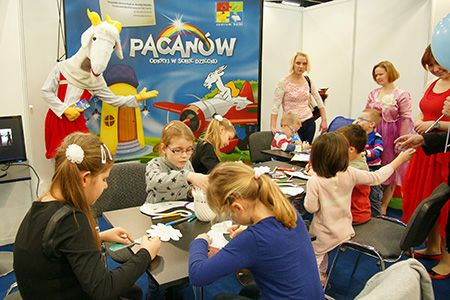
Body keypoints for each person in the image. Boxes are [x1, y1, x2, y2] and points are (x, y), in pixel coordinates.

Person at [13, 132, 161, 299]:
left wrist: (97, 237)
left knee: (132, 290)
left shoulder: (43, 203)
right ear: (85, 179)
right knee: (132, 291)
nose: (105, 186)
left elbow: (56, 248)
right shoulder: (72, 220)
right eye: (104, 179)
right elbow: (104, 290)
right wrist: (146, 253)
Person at [189, 162, 324, 299]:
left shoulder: (253, 238)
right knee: (250, 291)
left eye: (229, 214)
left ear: (237, 208)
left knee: (221, 298)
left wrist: (200, 241)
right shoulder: (288, 212)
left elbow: (198, 275)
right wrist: (249, 229)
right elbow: (273, 250)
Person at [304, 132, 414, 284]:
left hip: (325, 234)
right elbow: (377, 177)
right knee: (321, 251)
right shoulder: (349, 173)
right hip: (345, 231)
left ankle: (316, 281)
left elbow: (310, 208)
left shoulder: (315, 181)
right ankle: (322, 275)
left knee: (313, 251)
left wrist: (311, 178)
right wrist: (399, 160)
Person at [400, 45, 450, 266]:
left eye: (437, 63)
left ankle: (447, 258)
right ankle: (432, 247)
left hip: (443, 152)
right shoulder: (434, 84)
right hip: (427, 148)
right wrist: (420, 125)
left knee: (443, 205)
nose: (434, 69)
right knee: (425, 200)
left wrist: (433, 125)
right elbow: (426, 110)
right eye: (429, 65)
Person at [365, 60, 413, 215]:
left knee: (391, 168)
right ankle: (372, 201)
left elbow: (406, 118)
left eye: (381, 74)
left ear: (390, 73)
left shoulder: (402, 94)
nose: (378, 77)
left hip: (392, 136)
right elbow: (366, 113)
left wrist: (402, 141)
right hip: (373, 134)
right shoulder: (373, 93)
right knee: (373, 165)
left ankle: (384, 206)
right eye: (376, 75)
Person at [270, 52, 328, 144]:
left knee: (305, 151)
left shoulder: (308, 81)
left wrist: (324, 120)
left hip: (308, 122)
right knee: (291, 152)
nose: (301, 66)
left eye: (304, 64)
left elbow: (318, 100)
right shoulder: (283, 82)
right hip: (290, 125)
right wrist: (273, 126)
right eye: (298, 63)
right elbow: (275, 105)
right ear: (293, 64)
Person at [145, 120, 209, 203]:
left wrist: (194, 192)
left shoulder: (187, 164)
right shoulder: (154, 164)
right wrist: (187, 176)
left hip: (181, 211)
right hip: (154, 212)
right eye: (178, 150)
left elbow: (188, 189)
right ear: (164, 148)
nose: (184, 155)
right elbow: (155, 182)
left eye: (189, 149)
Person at [337, 124, 372, 225]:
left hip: (354, 216)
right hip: (348, 212)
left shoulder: (356, 168)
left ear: (351, 149)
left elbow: (334, 182)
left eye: (338, 145)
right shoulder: (352, 159)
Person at [356, 109, 384, 216]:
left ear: (371, 124)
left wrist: (366, 153)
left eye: (361, 119)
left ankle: (377, 217)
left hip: (373, 170)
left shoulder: (376, 137)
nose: (358, 121)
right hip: (361, 169)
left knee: (374, 196)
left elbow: (378, 151)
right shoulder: (358, 136)